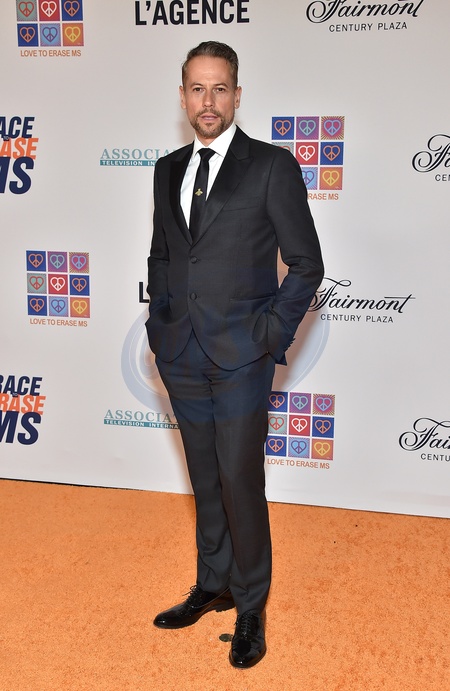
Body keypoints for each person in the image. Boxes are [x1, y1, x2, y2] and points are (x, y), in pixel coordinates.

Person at [146, 41, 324, 669]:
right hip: (181, 352)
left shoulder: (271, 166)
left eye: (219, 88)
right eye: (197, 89)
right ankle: (213, 582)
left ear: (237, 95)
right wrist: (159, 323)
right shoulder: (167, 168)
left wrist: (269, 334)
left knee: (240, 479)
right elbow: (163, 253)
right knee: (203, 475)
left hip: (242, 354)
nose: (208, 101)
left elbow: (306, 264)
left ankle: (251, 604)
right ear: (182, 96)